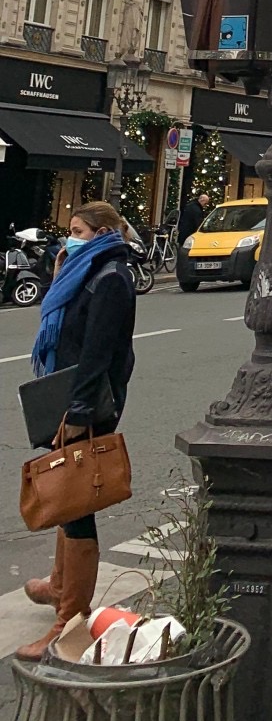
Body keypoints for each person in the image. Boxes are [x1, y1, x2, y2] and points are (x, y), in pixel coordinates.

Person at [19, 201, 137, 661]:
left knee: (75, 500)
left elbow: (99, 351)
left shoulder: (109, 278)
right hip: (69, 392)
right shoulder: (86, 269)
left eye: (76, 230)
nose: (68, 237)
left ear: (102, 232)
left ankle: (69, 619)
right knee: (67, 490)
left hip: (87, 399)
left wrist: (82, 410)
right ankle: (60, 584)